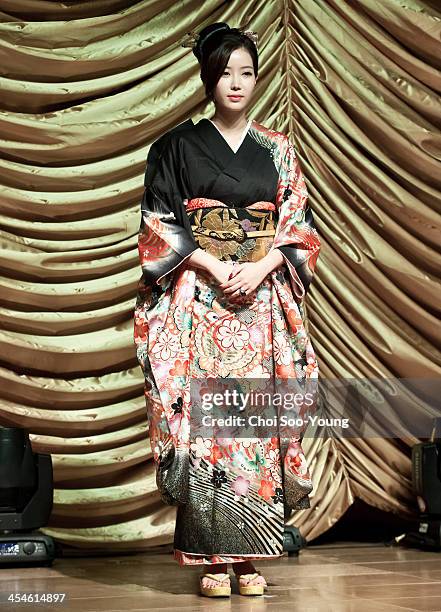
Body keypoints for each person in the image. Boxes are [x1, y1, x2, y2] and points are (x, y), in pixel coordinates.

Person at [134, 22, 321, 598]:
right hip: (202, 304)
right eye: (225, 73)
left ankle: (250, 557)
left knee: (253, 427)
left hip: (260, 303)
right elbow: (157, 227)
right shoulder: (175, 147)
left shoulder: (278, 150)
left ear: (258, 79)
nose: (235, 83)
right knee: (209, 432)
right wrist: (216, 267)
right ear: (207, 78)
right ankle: (214, 557)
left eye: (246, 72)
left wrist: (263, 266)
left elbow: (299, 229)